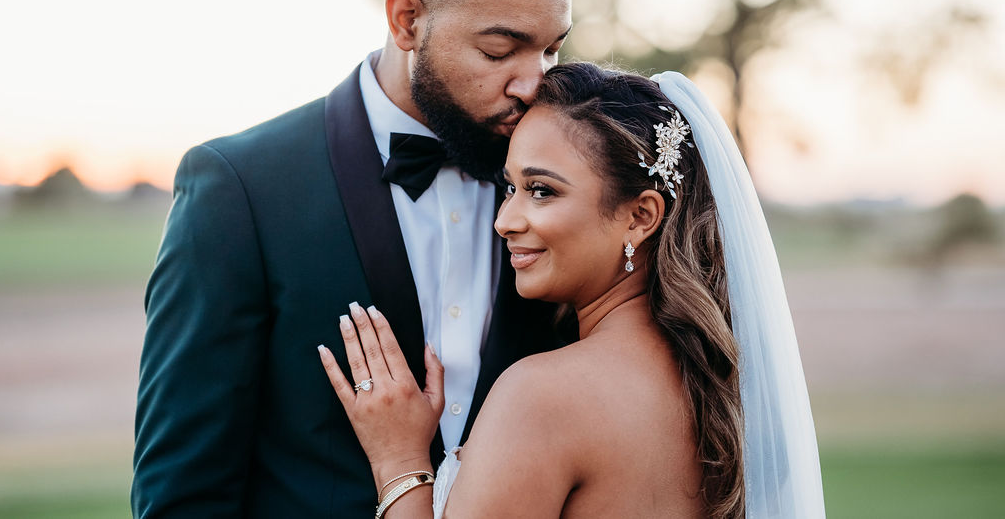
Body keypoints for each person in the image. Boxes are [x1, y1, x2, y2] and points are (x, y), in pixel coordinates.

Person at [131, 0, 574, 517]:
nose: (534, 85)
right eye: (500, 49)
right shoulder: (240, 189)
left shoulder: (562, 184)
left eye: (552, 50)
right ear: (407, 20)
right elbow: (183, 494)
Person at [320, 62, 827, 518]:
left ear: (640, 216)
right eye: (510, 187)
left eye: (542, 191)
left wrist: (399, 460)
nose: (504, 220)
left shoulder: (542, 397)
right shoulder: (722, 386)